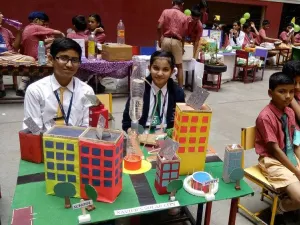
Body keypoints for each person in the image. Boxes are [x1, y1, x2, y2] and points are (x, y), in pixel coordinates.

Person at [23, 38, 94, 130]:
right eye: (63, 58)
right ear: (51, 59)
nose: (69, 65)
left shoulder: (88, 91)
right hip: (44, 141)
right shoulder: (35, 90)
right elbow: (30, 123)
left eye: (74, 60)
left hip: (77, 140)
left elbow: (90, 123)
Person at [256, 72, 300, 214]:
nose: (288, 96)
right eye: (282, 91)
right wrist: (296, 171)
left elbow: (295, 142)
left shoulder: (290, 112)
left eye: (291, 91)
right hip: (272, 160)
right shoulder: (265, 117)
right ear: (270, 93)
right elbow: (274, 150)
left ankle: (288, 195)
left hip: (289, 155)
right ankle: (276, 211)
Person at [122, 51, 185, 133]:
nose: (159, 73)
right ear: (149, 68)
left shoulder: (178, 93)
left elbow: (182, 121)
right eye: (156, 68)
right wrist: (132, 133)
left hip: (168, 136)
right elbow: (126, 123)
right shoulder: (139, 89)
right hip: (142, 135)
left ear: (172, 72)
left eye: (165, 69)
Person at [18, 12, 65, 96]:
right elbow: (57, 32)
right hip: (37, 57)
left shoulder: (27, 28)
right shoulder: (35, 27)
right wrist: (62, 36)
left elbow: (40, 43)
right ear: (36, 20)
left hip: (31, 55)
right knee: (58, 63)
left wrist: (49, 42)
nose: (44, 26)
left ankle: (22, 87)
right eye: (43, 23)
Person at [0, 11, 35, 98]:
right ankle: (1, 89)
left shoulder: (6, 31)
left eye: (1, 13)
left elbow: (15, 46)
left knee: (31, 60)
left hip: (11, 56)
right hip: (1, 56)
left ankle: (21, 88)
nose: (2, 15)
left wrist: (19, 32)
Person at [157, 0, 188, 88]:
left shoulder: (165, 12)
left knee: (163, 64)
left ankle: (161, 86)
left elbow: (159, 27)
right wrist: (182, 47)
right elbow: (184, 34)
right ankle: (181, 89)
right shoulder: (184, 17)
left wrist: (160, 39)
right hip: (177, 41)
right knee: (179, 67)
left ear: (172, 3)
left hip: (165, 40)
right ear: (182, 4)